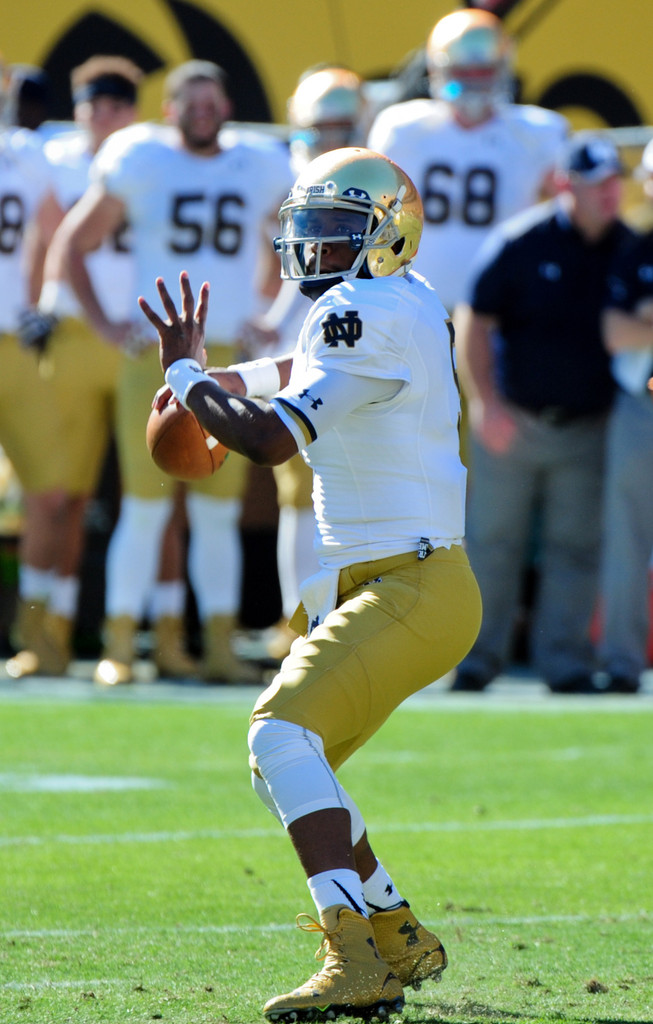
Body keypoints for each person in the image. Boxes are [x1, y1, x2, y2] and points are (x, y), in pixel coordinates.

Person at [140, 147, 482, 1021]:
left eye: (335, 228)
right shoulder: (380, 304)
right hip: (397, 579)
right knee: (292, 765)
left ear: (387, 234)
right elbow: (301, 378)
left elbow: (270, 441)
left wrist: (185, 375)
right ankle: (396, 928)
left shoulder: (367, 305)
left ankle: (352, 952)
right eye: (307, 225)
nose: (313, 244)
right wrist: (223, 379)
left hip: (412, 580)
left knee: (279, 738)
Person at [53, 59, 291, 685]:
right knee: (145, 504)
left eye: (213, 102)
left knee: (217, 511)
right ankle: (121, 644)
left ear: (228, 106)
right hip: (158, 353)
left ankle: (216, 642)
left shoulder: (259, 163)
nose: (203, 113)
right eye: (191, 103)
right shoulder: (141, 158)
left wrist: (273, 311)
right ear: (169, 111)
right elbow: (73, 242)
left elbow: (297, 245)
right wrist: (106, 326)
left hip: (230, 358)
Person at [452, 135, 635, 694]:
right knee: (492, 542)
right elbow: (474, 322)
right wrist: (485, 402)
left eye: (614, 184)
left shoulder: (628, 246)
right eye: (597, 185)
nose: (610, 195)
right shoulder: (521, 241)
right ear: (565, 186)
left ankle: (564, 661)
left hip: (587, 425)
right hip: (517, 421)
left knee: (575, 547)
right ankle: (476, 660)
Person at [5, 56, 144, 680]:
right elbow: (45, 235)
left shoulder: (149, 155)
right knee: (53, 494)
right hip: (65, 334)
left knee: (123, 495)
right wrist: (40, 303)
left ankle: (84, 626)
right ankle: (37, 628)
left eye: (117, 103)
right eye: (94, 103)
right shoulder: (50, 157)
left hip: (129, 335)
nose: (104, 115)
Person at [241, 64, 368, 662]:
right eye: (322, 127)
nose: (329, 138)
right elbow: (275, 265)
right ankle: (302, 621)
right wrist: (267, 320)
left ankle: (357, 618)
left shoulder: (374, 182)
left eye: (341, 126)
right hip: (305, 349)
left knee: (365, 488)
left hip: (365, 350)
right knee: (298, 495)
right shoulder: (290, 183)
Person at [367, 7, 568, 315]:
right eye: (464, 72)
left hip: (502, 304)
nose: (474, 82)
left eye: (483, 71)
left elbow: (567, 210)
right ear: (438, 70)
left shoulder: (537, 133)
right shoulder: (403, 129)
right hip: (418, 300)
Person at [0, 100, 72, 678]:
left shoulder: (25, 153)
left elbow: (59, 233)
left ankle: (36, 632)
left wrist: (41, 302)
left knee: (49, 495)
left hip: (14, 344)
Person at [598, 166, 653, 693]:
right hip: (644, 402)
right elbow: (617, 332)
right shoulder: (638, 245)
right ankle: (621, 661)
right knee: (627, 540)